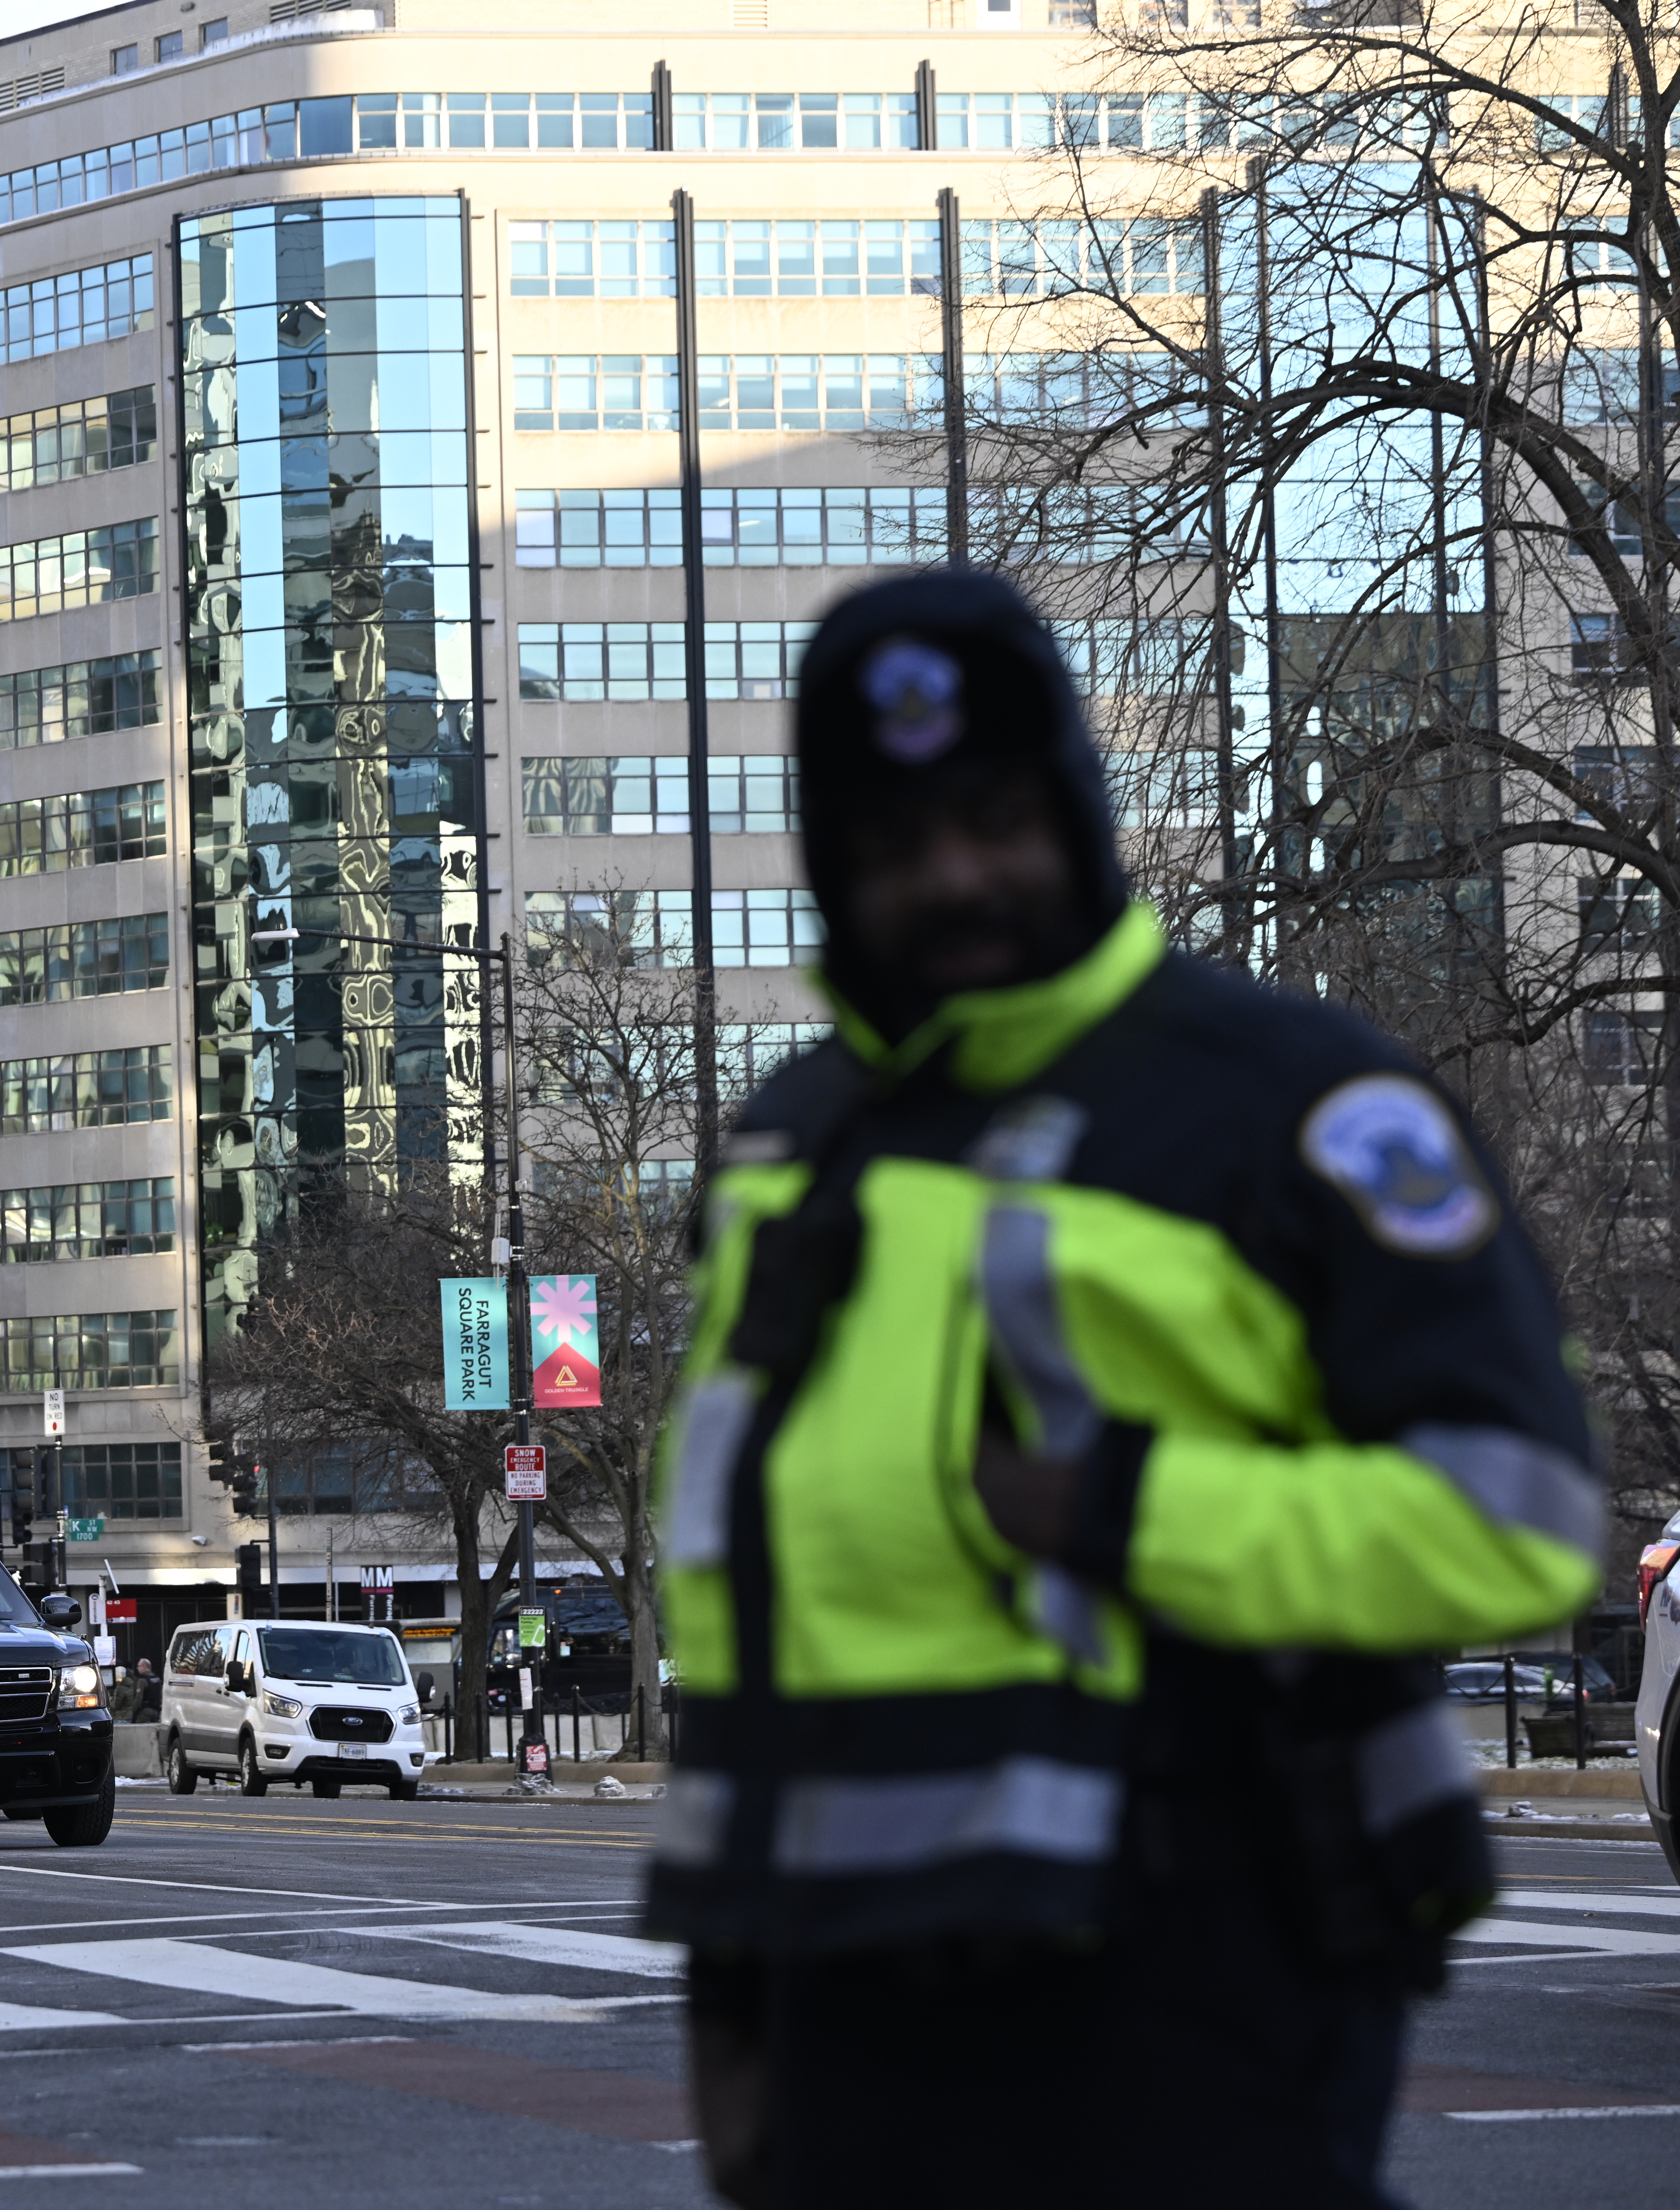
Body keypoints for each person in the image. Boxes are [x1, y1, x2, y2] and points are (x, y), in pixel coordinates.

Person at [648, 572, 1601, 2210]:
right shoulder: (793, 1144)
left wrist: (1124, 1506)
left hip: (1200, 1953)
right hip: (850, 1989)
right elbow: (746, 1599)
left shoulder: (1288, 1104)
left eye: (998, 818)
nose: (955, 876)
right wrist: (731, 1984)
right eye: (892, 844)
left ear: (1078, 807)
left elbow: (1519, 1514)